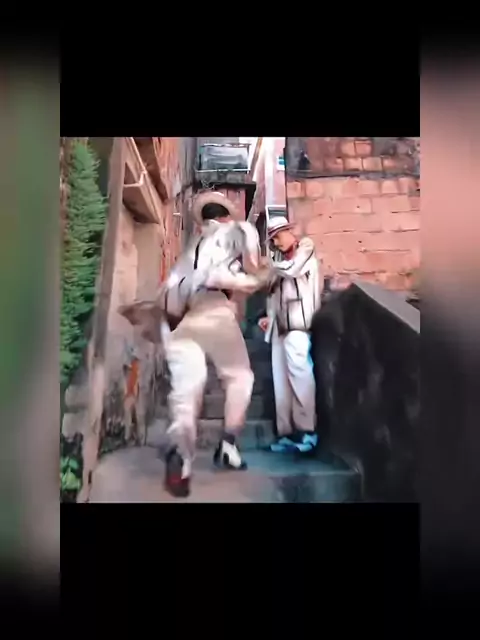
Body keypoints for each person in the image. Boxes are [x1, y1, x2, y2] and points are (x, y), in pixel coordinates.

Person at [122, 191, 268, 498]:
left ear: (202, 220)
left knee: (188, 388)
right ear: (225, 217)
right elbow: (240, 271)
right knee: (240, 377)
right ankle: (228, 445)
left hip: (183, 321)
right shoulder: (235, 231)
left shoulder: (190, 251)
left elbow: (171, 292)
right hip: (215, 312)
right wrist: (258, 277)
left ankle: (182, 455)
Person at [258, 216, 322, 454]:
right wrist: (268, 317)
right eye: (273, 239)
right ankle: (287, 433)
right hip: (280, 328)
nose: (276, 242)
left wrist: (268, 266)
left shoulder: (306, 248)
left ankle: (307, 431)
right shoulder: (279, 264)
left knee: (301, 376)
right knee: (281, 383)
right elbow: (272, 294)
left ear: (290, 232)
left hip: (299, 326)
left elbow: (292, 270)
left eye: (278, 236)